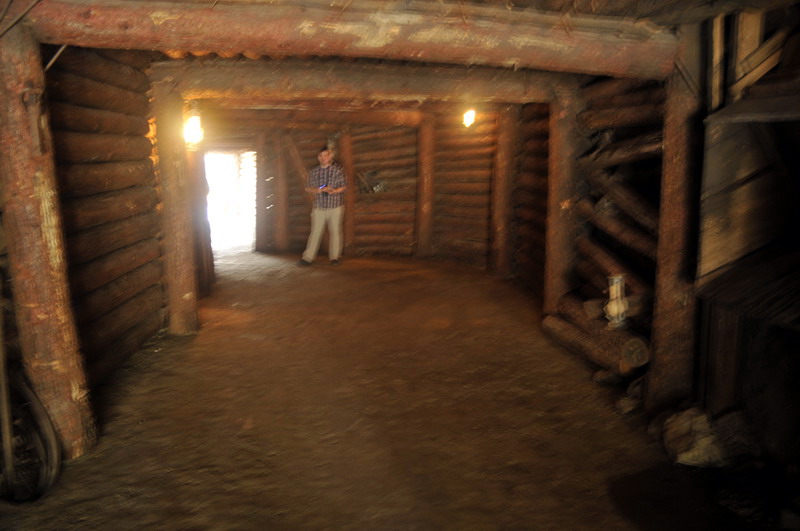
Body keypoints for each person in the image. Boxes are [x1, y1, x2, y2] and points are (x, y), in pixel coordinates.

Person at [298, 146, 347, 266]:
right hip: (319, 207)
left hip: (335, 206)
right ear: (318, 157)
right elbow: (308, 187)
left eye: (326, 155)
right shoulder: (314, 172)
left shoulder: (338, 170)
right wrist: (319, 190)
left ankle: (335, 257)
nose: (323, 158)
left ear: (330, 156)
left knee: (335, 232)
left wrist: (334, 191)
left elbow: (344, 186)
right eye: (321, 156)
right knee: (315, 232)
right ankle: (308, 257)